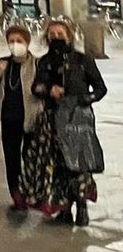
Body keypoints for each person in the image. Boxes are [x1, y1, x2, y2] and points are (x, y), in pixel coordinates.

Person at [28, 18, 106, 225]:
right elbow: (36, 87)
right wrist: (46, 90)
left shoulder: (83, 60)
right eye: (52, 35)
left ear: (69, 36)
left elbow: (100, 89)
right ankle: (63, 207)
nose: (55, 38)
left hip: (77, 120)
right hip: (52, 118)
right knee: (57, 166)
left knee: (79, 164)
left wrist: (82, 99)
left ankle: (82, 205)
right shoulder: (44, 61)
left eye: (60, 34)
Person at [0, 23, 40, 209]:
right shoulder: (4, 62)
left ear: (27, 42)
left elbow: (43, 91)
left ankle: (32, 191)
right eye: (11, 41)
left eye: (19, 41)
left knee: (31, 157)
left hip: (32, 117)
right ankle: (16, 194)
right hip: (9, 118)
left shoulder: (37, 64)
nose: (15, 44)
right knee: (12, 158)